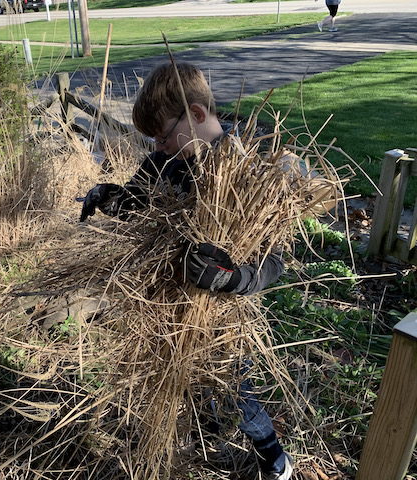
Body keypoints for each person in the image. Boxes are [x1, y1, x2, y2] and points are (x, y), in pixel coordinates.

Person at [79, 62, 294, 480]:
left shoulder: (250, 169)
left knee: (234, 388)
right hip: (172, 309)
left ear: (195, 114)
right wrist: (108, 196)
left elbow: (275, 258)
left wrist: (236, 278)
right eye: (154, 141)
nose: (158, 147)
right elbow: (137, 201)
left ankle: (275, 461)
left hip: (222, 314)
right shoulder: (165, 162)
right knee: (188, 382)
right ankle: (205, 436)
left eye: (162, 136)